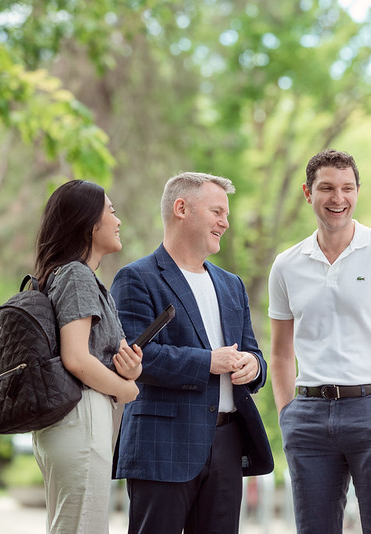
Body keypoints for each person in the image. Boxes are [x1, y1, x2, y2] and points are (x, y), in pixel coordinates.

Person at [268, 149, 371, 533]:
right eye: (326, 188)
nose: (338, 198)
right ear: (308, 192)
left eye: (347, 188)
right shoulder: (286, 265)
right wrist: (287, 413)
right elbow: (281, 351)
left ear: (357, 191)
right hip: (307, 416)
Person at [111, 172, 273, 534]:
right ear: (181, 208)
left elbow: (253, 352)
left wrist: (253, 365)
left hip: (227, 444)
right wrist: (209, 362)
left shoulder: (232, 285)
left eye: (226, 214)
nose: (225, 222)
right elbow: (137, 359)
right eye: (217, 212)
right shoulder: (136, 278)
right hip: (162, 445)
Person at [31, 179, 142, 534]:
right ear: (89, 223)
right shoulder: (77, 275)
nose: (118, 220)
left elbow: (92, 353)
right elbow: (76, 358)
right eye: (111, 211)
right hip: (82, 416)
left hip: (75, 418)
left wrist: (128, 369)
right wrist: (126, 390)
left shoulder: (70, 275)